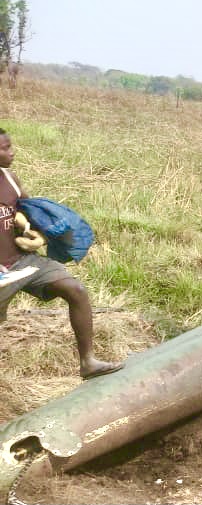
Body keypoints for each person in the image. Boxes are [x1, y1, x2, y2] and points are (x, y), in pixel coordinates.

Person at [0, 128, 122, 379]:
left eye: (10, 146)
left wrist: (37, 235)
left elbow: (29, 213)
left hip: (22, 262)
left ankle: (88, 362)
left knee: (75, 290)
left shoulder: (10, 180)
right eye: (5, 148)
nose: (12, 152)